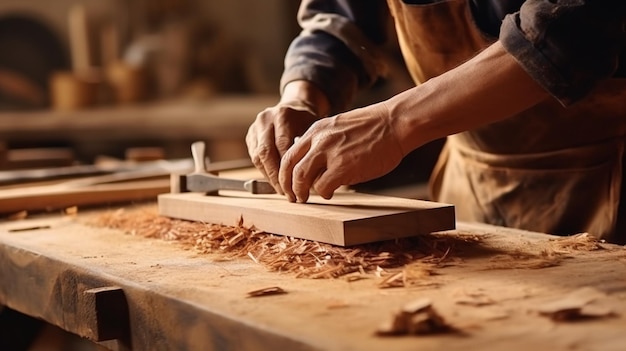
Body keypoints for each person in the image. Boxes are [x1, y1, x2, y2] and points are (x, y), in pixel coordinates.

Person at [246, 0, 626, 244]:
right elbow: (340, 18)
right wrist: (302, 96)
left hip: (609, 181)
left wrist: (393, 124)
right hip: (470, 186)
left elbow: (569, 31)